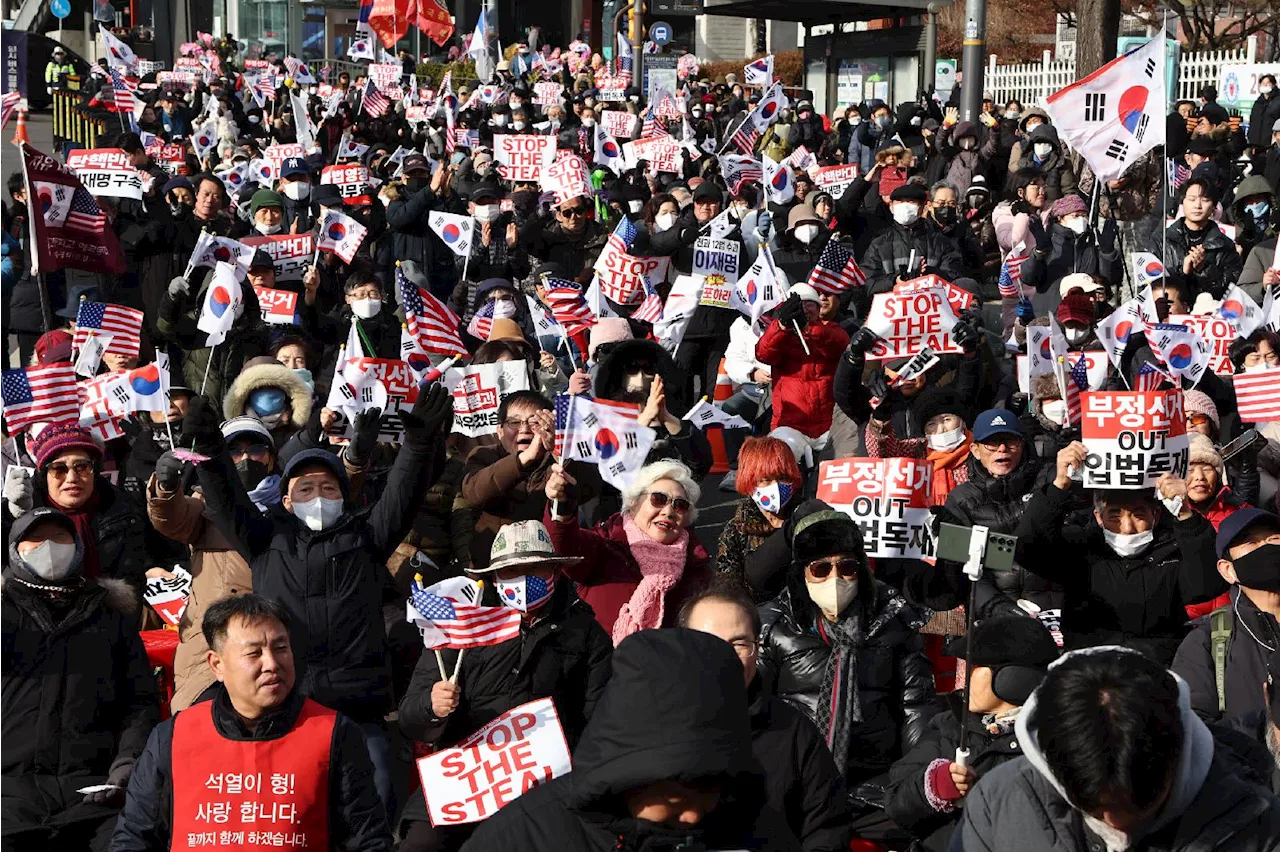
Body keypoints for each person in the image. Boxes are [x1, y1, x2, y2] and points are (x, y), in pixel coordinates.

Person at [183, 386, 454, 823]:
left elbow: (403, 495)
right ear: (286, 500)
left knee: (374, 807)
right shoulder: (265, 539)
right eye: (305, 488)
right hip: (287, 711)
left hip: (357, 709)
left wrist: (419, 443)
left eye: (328, 487)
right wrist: (212, 453)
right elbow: (227, 500)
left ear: (344, 497)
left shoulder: (367, 539)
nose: (318, 495)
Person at [460, 629, 801, 852]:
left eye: (710, 787)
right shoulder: (524, 836)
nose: (694, 813)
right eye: (675, 793)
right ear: (629, 775)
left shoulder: (758, 829)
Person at [108, 595, 392, 851]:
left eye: (280, 648)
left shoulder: (333, 732)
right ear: (216, 665)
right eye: (254, 653)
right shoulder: (172, 736)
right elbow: (135, 836)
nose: (271, 663)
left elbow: (367, 840)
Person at [396, 521, 613, 851]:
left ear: (555, 571)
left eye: (535, 570)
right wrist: (432, 706)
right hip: (462, 776)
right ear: (494, 577)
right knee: (420, 845)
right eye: (512, 572)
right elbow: (410, 717)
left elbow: (598, 721)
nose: (524, 581)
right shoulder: (461, 624)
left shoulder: (586, 633)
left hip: (545, 785)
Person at [954, 647, 1280, 852]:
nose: (1116, 824)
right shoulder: (998, 804)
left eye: (1146, 806)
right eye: (1094, 810)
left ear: (1179, 752)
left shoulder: (1258, 823)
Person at [758, 505, 935, 828]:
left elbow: (916, 707)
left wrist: (911, 780)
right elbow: (755, 708)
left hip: (875, 784)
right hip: (795, 781)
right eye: (821, 569)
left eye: (847, 567)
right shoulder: (775, 626)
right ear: (802, 573)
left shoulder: (894, 621)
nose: (835, 579)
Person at [0, 507, 158, 852]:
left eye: (60, 538)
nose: (49, 547)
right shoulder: (3, 612)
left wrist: (128, 762)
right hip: (9, 793)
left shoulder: (110, 616)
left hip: (93, 794)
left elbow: (139, 701)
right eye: (35, 539)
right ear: (14, 549)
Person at [1016, 442, 1226, 663]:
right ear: (1098, 517)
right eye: (1114, 517)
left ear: (1155, 515)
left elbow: (1207, 584)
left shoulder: (1172, 549)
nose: (1127, 528)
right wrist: (1059, 487)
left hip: (1155, 671)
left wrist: (1185, 516)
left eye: (1138, 515)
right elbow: (1027, 550)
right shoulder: (1080, 549)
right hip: (1088, 670)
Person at [680, 584, 852, 852]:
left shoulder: (795, 732)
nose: (726, 656)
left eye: (739, 644)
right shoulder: (651, 729)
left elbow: (827, 828)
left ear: (757, 648)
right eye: (709, 643)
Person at [885, 616, 1059, 852]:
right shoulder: (947, 726)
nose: (964, 678)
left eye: (975, 668)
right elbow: (896, 805)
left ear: (1012, 677)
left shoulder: (1051, 742)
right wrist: (932, 787)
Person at [145, 417, 280, 711]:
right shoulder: (204, 505)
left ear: (271, 458)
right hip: (210, 655)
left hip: (275, 649)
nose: (245, 458)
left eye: (255, 449)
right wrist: (166, 488)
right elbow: (172, 518)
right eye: (234, 451)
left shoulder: (290, 502)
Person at [544, 459, 713, 643]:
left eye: (680, 505)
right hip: (600, 665)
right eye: (658, 499)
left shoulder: (696, 566)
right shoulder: (606, 544)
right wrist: (562, 505)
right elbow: (564, 547)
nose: (668, 511)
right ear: (634, 502)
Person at [932, 410, 1060, 619]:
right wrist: (994, 606)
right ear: (975, 450)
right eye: (991, 443)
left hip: (1055, 610)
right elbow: (961, 569)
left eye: (1010, 442)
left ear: (1023, 445)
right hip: (996, 617)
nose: (1002, 449)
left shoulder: (1049, 479)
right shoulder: (960, 498)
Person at [1, 424, 150, 591]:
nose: (71, 478)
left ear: (95, 471)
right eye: (59, 469)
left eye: (82, 467)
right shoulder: (22, 507)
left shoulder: (123, 507)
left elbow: (141, 565)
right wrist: (13, 515)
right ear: (45, 475)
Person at [1174, 509, 1280, 722]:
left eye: (1275, 539)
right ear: (1227, 570)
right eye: (1251, 543)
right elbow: (1194, 726)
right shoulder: (1206, 642)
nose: (1266, 547)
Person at [756, 285, 850, 444]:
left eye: (810, 304)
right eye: (799, 305)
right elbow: (763, 354)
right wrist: (782, 326)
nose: (804, 309)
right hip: (789, 425)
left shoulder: (830, 330)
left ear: (819, 308)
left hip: (829, 426)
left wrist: (808, 329)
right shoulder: (779, 334)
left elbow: (841, 345)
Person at [717, 436, 805, 603]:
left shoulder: (806, 519)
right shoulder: (736, 530)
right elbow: (727, 586)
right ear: (749, 481)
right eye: (765, 480)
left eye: (782, 478)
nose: (775, 486)